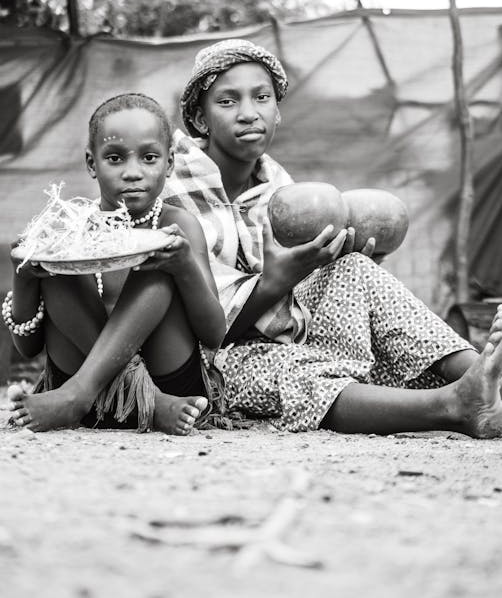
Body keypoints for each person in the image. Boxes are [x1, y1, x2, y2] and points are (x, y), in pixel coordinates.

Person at [160, 38, 502, 438]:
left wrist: (333, 258)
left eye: (262, 97)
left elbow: (299, 294)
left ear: (277, 111)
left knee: (353, 267)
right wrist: (278, 281)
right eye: (227, 101)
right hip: (212, 361)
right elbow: (211, 329)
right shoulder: (172, 185)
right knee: (297, 373)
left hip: (280, 334)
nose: (249, 113)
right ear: (200, 120)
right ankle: (455, 406)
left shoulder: (280, 189)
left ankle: (485, 374)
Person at [5, 93, 226, 434]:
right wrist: (24, 275)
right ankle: (145, 403)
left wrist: (183, 267)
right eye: (115, 158)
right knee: (55, 262)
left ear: (169, 164)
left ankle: (79, 396)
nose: (133, 173)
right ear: (92, 164)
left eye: (149, 158)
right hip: (108, 391)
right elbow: (28, 347)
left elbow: (214, 334)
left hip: (166, 381)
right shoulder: (70, 229)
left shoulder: (178, 225)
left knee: (159, 262)